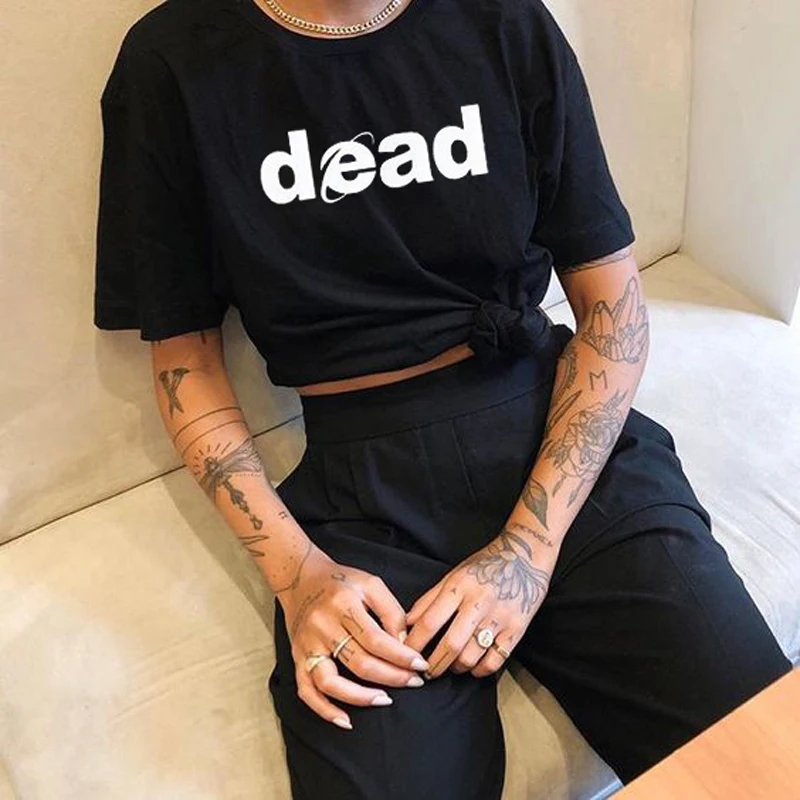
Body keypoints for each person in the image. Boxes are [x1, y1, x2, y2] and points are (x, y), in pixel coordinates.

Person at [93, 0, 793, 796]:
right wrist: (299, 576)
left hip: (562, 451)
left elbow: (612, 307)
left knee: (763, 764)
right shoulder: (172, 60)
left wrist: (527, 549)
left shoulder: (503, 21)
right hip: (364, 507)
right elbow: (184, 362)